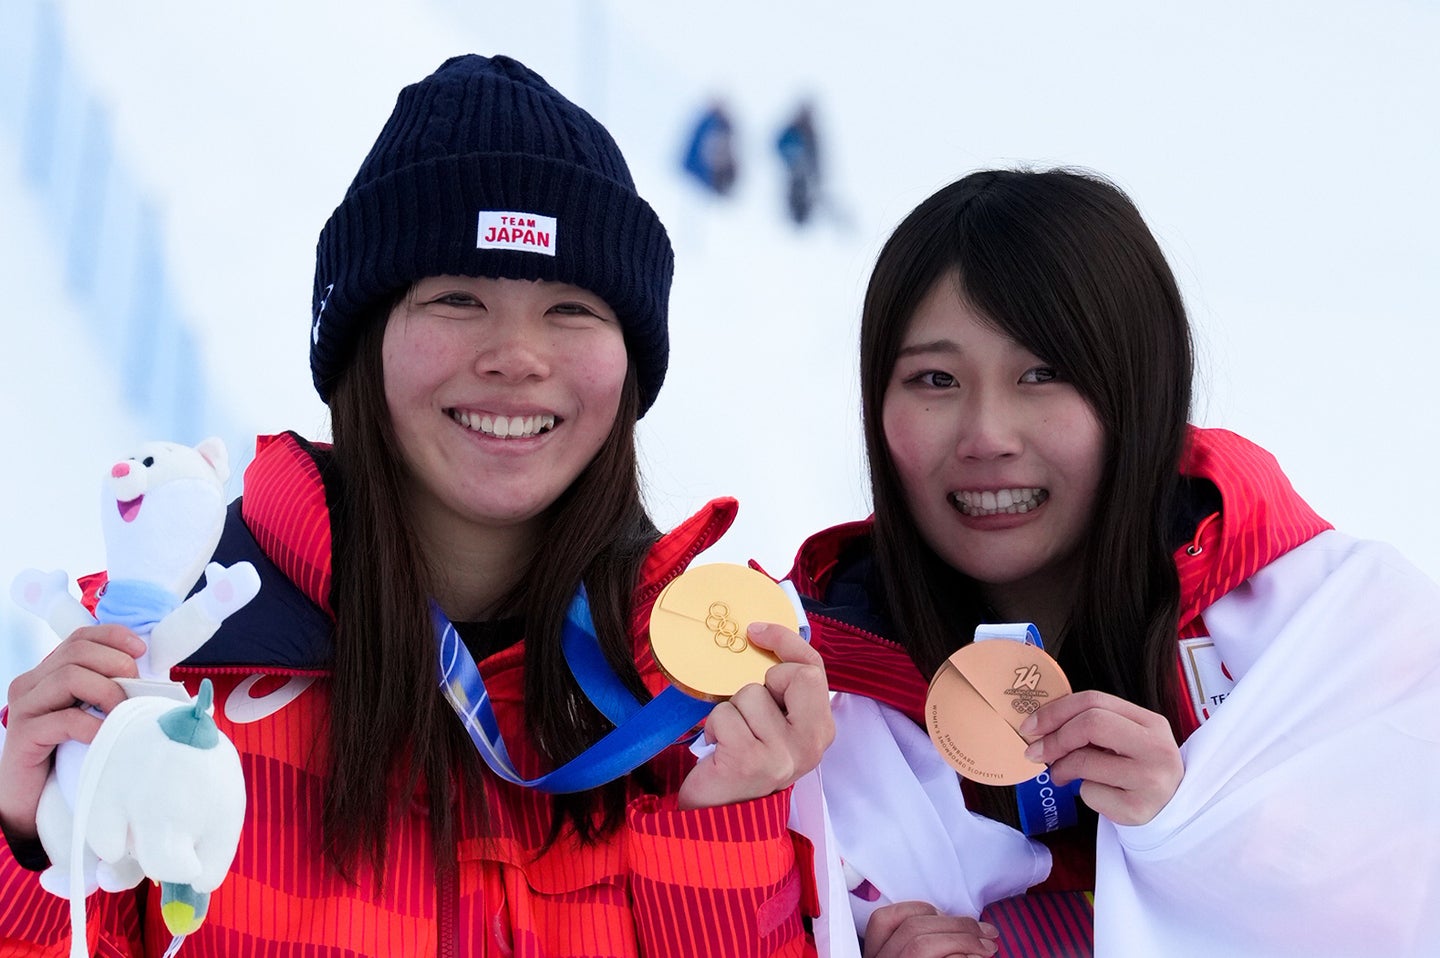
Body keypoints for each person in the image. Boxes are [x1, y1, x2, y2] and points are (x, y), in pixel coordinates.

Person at [0, 54, 833, 957]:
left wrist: (721, 832)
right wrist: (29, 841)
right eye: (457, 298)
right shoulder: (159, 665)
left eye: (571, 309)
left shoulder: (707, 704)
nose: (517, 355)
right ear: (362, 345)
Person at [783, 168, 1440, 957]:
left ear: (1142, 391)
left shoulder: (1336, 634)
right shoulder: (810, 701)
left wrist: (1192, 833)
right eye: (935, 379)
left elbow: (1402, 903)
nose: (987, 433)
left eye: (1042, 373)